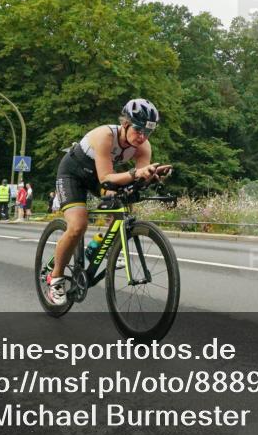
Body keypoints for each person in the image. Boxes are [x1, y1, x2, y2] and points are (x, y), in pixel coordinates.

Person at [46, 98, 171, 306]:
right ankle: (55, 278)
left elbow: (137, 180)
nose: (142, 136)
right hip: (73, 174)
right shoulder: (105, 135)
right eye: (138, 130)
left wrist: (152, 176)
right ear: (125, 124)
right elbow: (106, 178)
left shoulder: (143, 147)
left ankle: (97, 244)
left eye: (148, 132)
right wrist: (135, 173)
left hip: (99, 176)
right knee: (78, 226)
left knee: (122, 202)